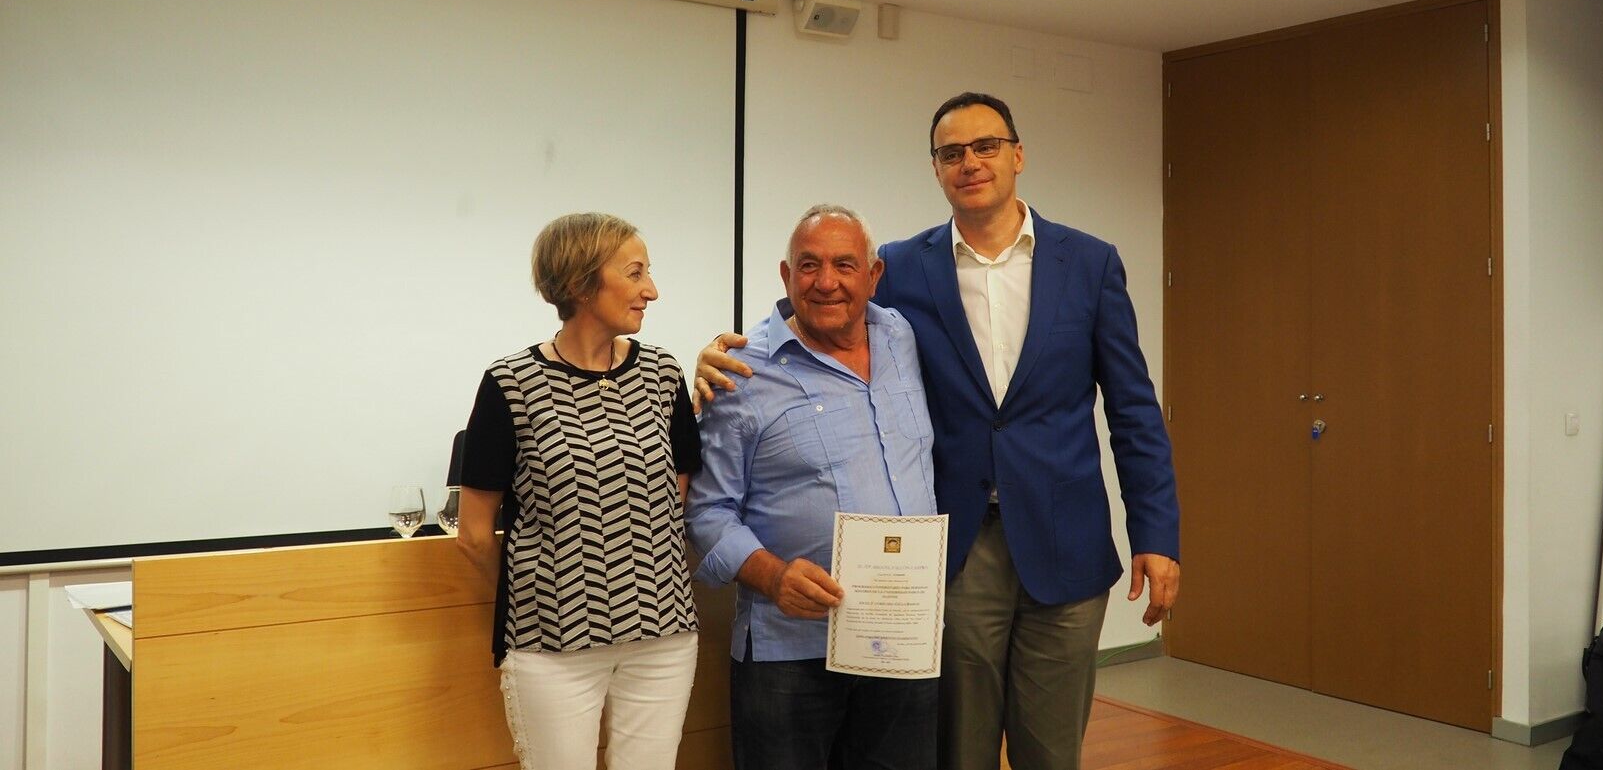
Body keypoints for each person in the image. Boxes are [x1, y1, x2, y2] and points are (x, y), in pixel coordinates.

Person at [696, 93, 1181, 770]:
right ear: (936, 168)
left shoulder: (1090, 263)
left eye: (985, 146)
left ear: (1018, 155)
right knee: (958, 750)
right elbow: (823, 312)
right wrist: (724, 351)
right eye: (952, 152)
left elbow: (1133, 409)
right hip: (952, 552)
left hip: (1065, 541)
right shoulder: (902, 267)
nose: (970, 162)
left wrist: (1156, 534)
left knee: (1052, 752)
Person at [686, 204, 940, 770]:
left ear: (873, 275)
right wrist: (773, 577)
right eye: (809, 265)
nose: (826, 282)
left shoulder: (901, 338)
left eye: (844, 265)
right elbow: (706, 511)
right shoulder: (740, 371)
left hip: (903, 638)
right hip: (790, 651)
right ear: (786, 275)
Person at [456, 212, 701, 770]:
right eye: (635, 273)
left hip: (663, 637)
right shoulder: (511, 384)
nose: (651, 290)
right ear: (579, 283)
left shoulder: (663, 375)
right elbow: (473, 535)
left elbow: (673, 502)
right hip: (552, 647)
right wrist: (547, 596)